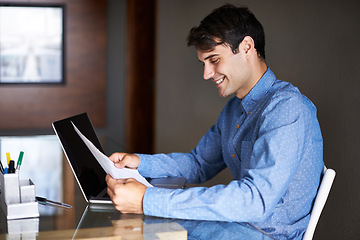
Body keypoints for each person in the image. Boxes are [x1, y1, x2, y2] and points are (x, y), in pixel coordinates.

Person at [106, 4, 324, 239]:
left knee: (142, 227)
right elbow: (199, 163)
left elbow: (255, 200)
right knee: (138, 226)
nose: (206, 74)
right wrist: (139, 163)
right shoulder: (233, 110)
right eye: (204, 63)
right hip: (236, 225)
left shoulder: (287, 108)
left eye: (214, 60)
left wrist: (146, 200)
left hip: (265, 233)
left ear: (247, 47)